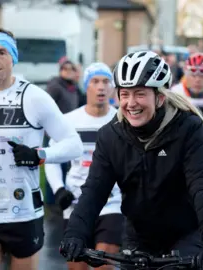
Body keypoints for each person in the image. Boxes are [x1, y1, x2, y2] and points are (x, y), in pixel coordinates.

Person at [60, 51, 203, 270]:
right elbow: (94, 190)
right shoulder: (111, 136)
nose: (131, 103)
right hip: (139, 237)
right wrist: (75, 234)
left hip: (186, 233)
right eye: (125, 94)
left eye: (139, 94)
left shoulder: (189, 129)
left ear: (159, 97)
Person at [0, 27, 83, 270]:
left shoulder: (34, 97)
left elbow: (73, 144)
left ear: (13, 57)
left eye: (1, 52)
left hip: (23, 211)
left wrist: (39, 155)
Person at [46, 63, 123, 270]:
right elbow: (52, 158)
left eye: (106, 82)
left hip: (112, 203)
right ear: (86, 86)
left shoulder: (122, 121)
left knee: (103, 264)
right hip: (76, 204)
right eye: (95, 82)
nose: (101, 87)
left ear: (113, 88)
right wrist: (59, 189)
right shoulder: (70, 121)